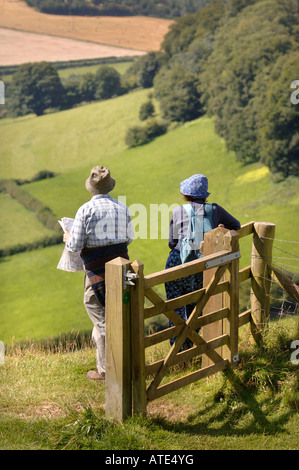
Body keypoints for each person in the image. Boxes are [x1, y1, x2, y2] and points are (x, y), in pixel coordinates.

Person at [63, 166, 133, 380]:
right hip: (122, 267)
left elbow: (75, 245)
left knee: (101, 319)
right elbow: (129, 238)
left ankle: (106, 371)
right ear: (109, 185)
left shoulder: (85, 210)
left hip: (96, 272)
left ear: (91, 187)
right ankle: (122, 363)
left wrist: (68, 237)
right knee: (119, 315)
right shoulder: (122, 207)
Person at [165, 173, 240, 350]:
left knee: (175, 305)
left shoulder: (178, 211)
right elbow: (236, 225)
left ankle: (177, 350)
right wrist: (220, 228)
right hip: (204, 265)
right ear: (205, 194)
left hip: (178, 263)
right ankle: (192, 343)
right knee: (197, 305)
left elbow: (171, 242)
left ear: (186, 195)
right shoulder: (215, 210)